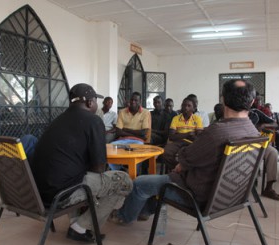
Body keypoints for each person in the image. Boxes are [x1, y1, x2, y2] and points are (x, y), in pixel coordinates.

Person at [109, 79, 264, 224]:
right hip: (232, 196)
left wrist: (181, 165)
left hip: (195, 195)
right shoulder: (254, 132)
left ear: (223, 100)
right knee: (160, 181)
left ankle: (124, 216)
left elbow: (185, 159)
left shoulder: (216, 132)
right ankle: (145, 210)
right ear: (251, 102)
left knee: (140, 183)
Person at [31, 83, 133, 243]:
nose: (97, 105)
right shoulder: (93, 121)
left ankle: (75, 221)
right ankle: (80, 227)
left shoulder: (57, 120)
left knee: (74, 173)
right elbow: (99, 168)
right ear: (89, 103)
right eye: (95, 101)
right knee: (123, 181)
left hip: (39, 193)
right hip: (61, 195)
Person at [163, 97, 203, 171]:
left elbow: (199, 136)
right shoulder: (176, 118)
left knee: (195, 154)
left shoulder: (197, 119)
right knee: (166, 152)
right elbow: (171, 136)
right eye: (184, 105)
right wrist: (188, 134)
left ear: (193, 108)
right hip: (177, 142)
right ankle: (176, 169)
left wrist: (178, 134)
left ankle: (186, 171)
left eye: (189, 106)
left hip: (191, 142)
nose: (186, 107)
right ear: (181, 106)